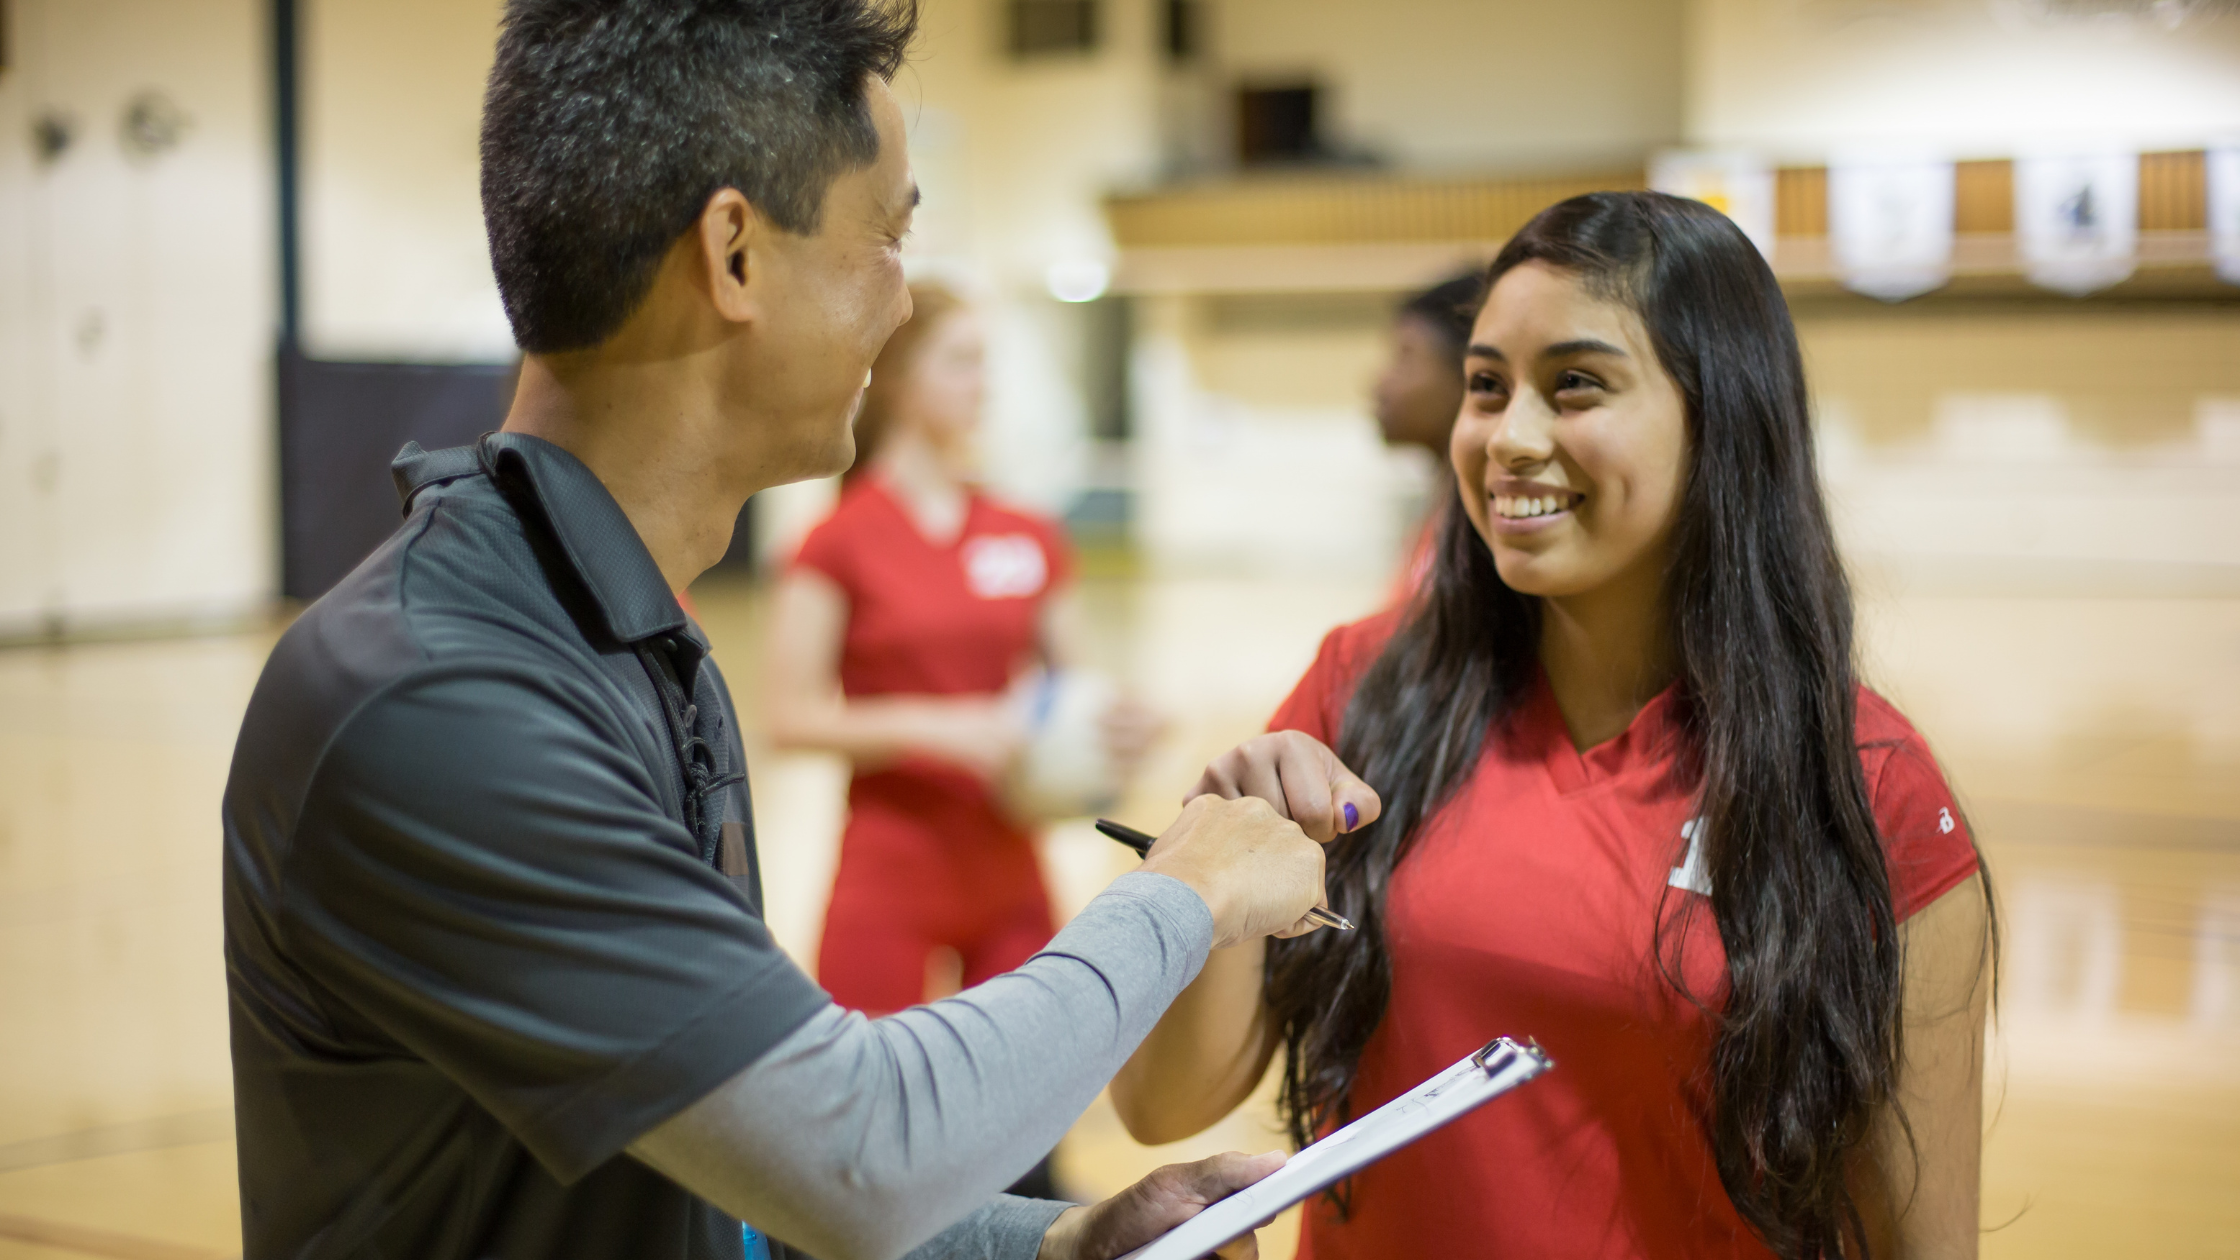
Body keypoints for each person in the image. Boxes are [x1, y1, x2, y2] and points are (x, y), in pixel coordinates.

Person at [219, 4, 1336, 1259]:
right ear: (735, 256)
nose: (901, 306)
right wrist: (1186, 891)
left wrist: (1050, 1244)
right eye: (886, 238)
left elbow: (719, 1182)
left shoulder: (631, 638)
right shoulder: (443, 698)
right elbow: (857, 1153)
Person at [1111, 192, 1995, 1259]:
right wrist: (1211, 861)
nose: (1509, 438)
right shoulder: (1365, 688)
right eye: (1486, 386)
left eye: (1575, 385)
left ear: (1721, 415)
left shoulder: (1865, 785)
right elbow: (1162, 1104)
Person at [767, 281, 1158, 1021]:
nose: (985, 385)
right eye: (962, 362)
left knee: (1034, 1088)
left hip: (1011, 871)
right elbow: (788, 718)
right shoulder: (835, 542)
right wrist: (939, 728)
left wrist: (1121, 725)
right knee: (868, 1087)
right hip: (889, 870)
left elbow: (1074, 688)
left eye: (986, 364)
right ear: (899, 376)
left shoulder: (1027, 532)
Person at [1370, 272, 1480, 600]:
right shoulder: (1439, 516)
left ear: (1467, 374)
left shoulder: (1478, 541)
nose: (1380, 384)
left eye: (1406, 356)